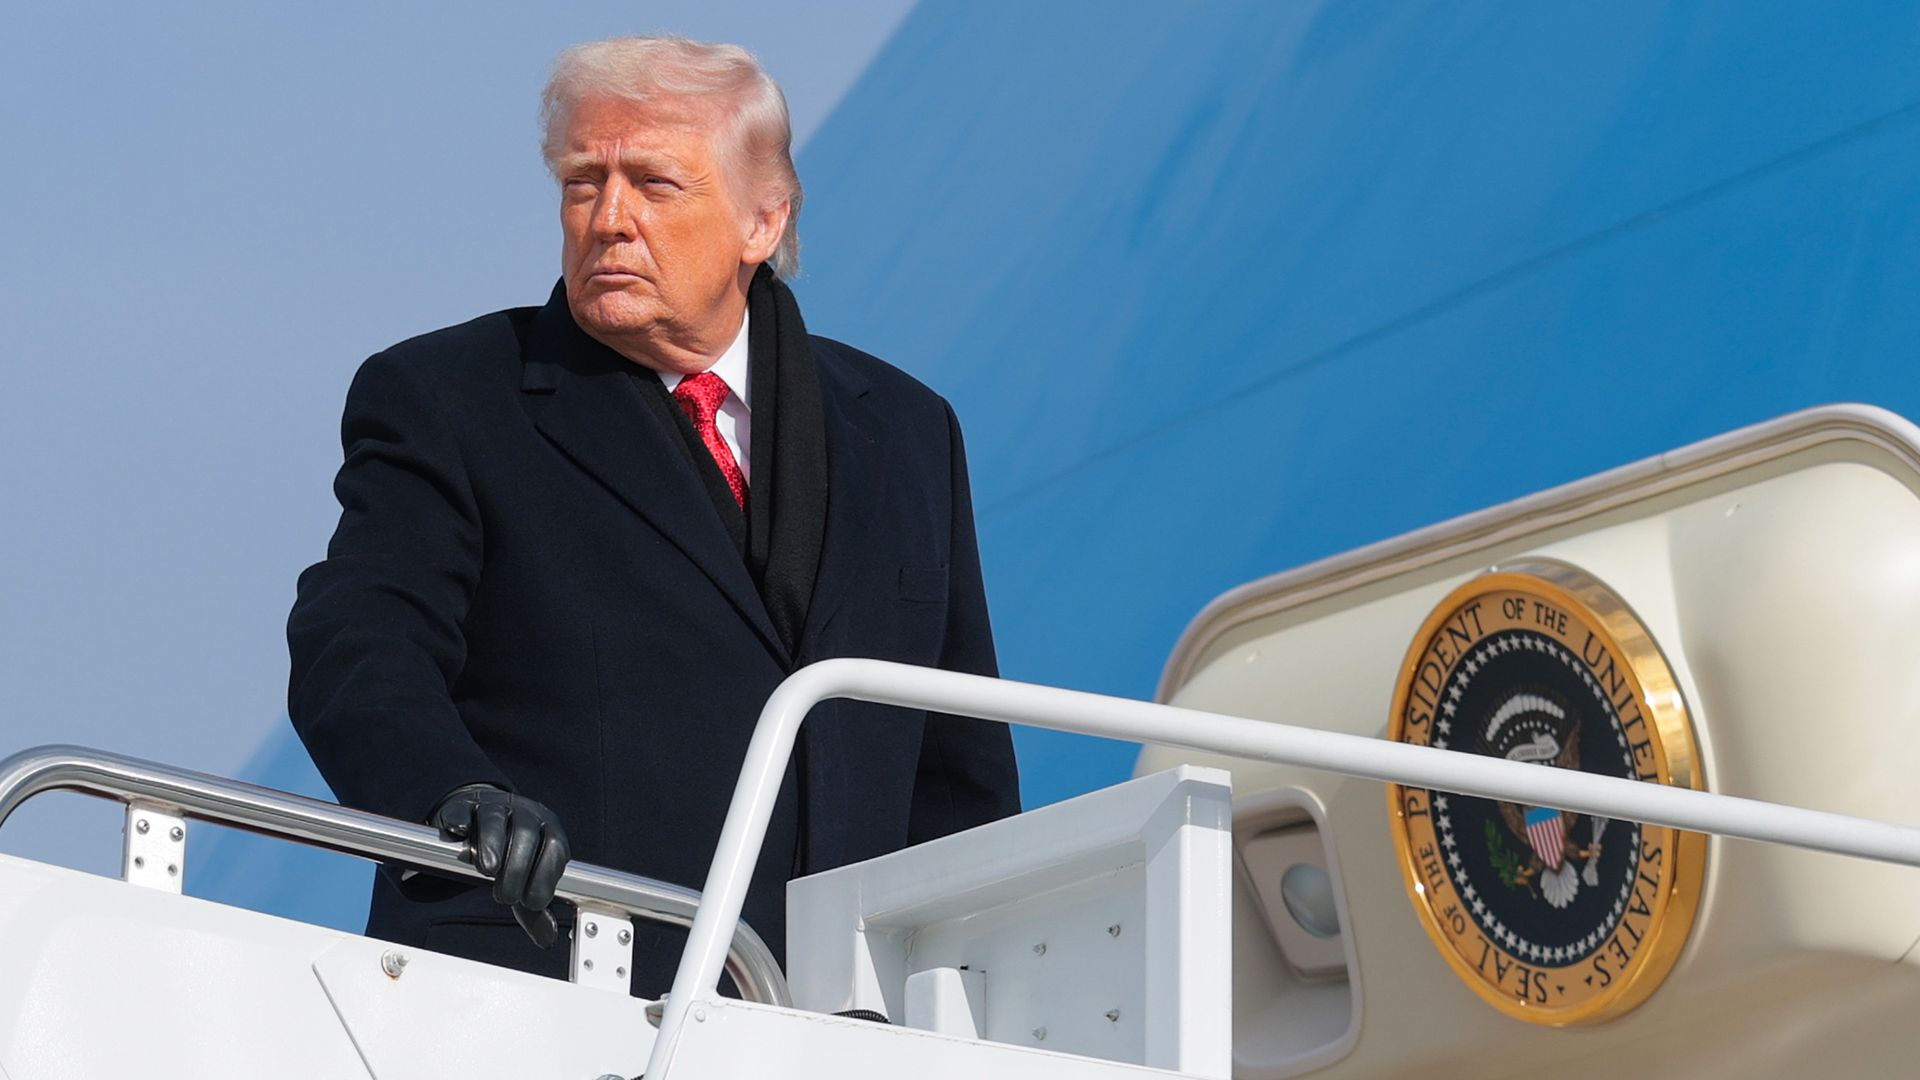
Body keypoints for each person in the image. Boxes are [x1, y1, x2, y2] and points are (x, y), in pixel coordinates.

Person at [286, 34, 1020, 997]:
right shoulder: (446, 397)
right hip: (547, 997)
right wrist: (447, 797)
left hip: (838, 1022)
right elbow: (357, 640)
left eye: (656, 185)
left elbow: (958, 762)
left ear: (765, 221)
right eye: (583, 183)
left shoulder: (908, 433)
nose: (609, 219)